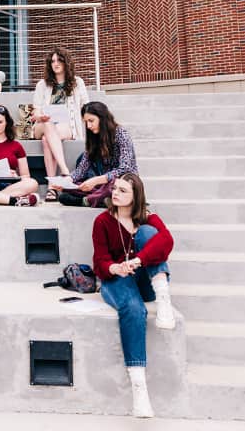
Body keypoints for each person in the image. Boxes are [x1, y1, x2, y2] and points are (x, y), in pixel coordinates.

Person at [92, 173, 175, 418]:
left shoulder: (147, 217)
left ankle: (163, 299)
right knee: (134, 308)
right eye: (114, 189)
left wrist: (139, 259)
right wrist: (115, 268)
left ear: (135, 196)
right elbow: (100, 262)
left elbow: (167, 241)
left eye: (122, 191)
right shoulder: (103, 221)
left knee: (150, 234)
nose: (115, 193)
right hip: (116, 281)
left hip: (146, 280)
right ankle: (139, 388)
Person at [54, 101, 138, 208]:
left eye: (91, 121)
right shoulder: (94, 137)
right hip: (102, 185)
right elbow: (82, 168)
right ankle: (98, 199)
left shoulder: (121, 134)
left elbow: (125, 168)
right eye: (86, 122)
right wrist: (67, 181)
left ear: (102, 118)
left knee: (113, 185)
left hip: (122, 182)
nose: (88, 126)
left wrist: (96, 180)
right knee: (72, 190)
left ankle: (88, 200)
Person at [32, 48, 90, 201]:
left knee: (47, 140)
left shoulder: (77, 83)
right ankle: (65, 171)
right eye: (52, 61)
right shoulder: (42, 85)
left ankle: (52, 187)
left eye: (59, 60)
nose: (55, 64)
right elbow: (35, 111)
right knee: (48, 125)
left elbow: (86, 106)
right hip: (42, 124)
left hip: (66, 125)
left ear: (66, 62)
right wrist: (41, 116)